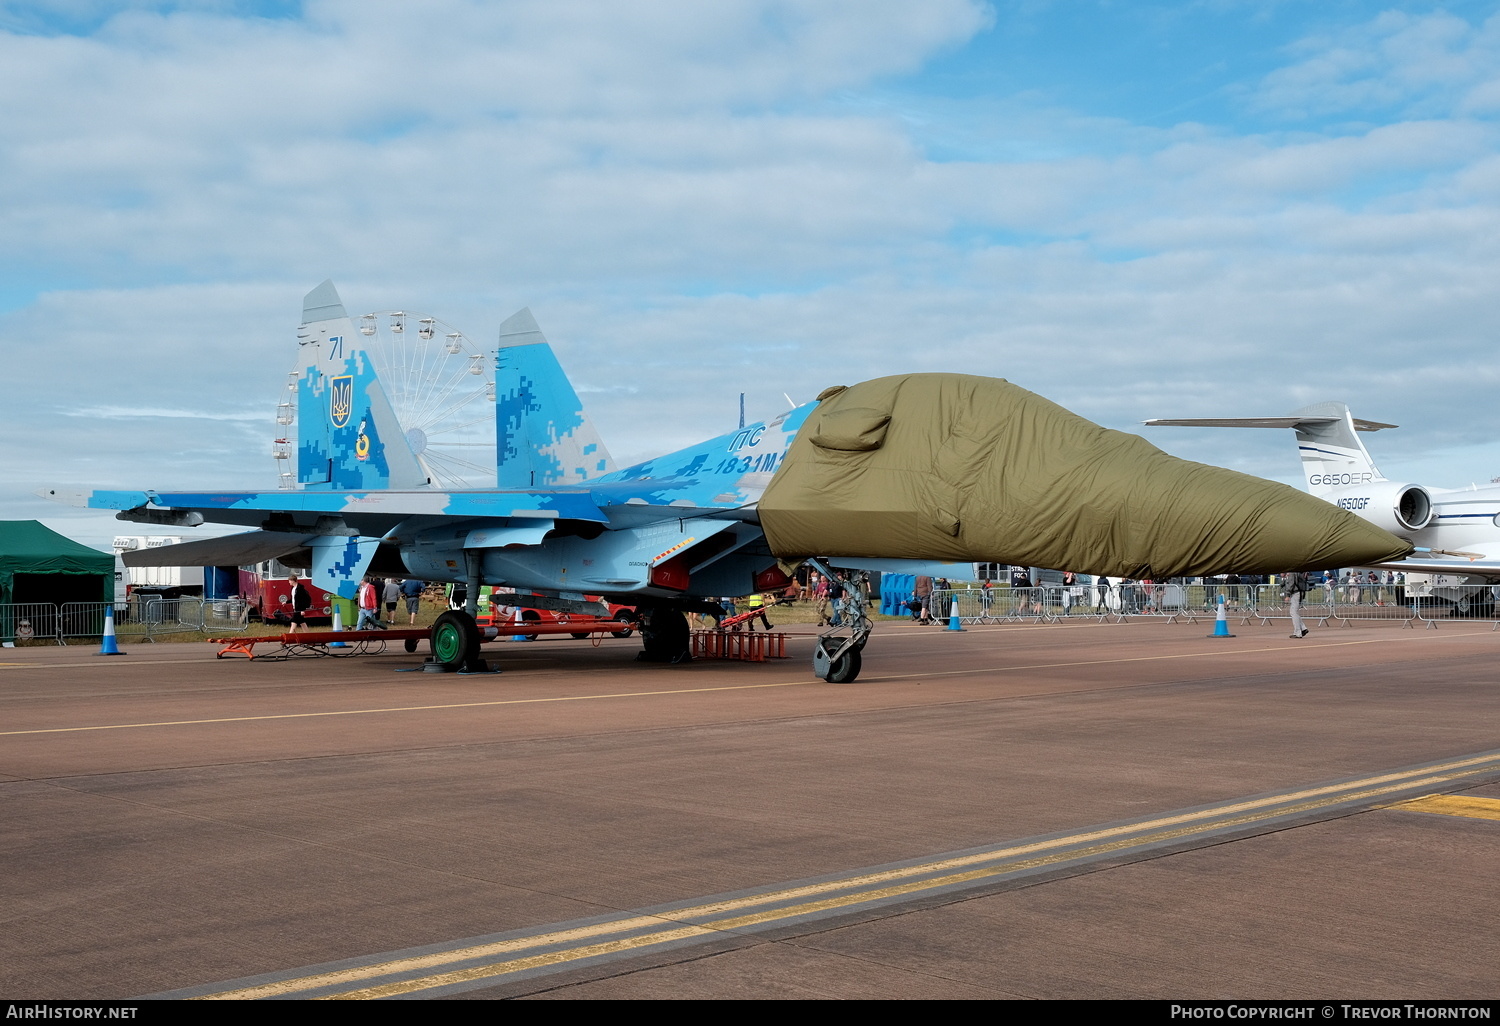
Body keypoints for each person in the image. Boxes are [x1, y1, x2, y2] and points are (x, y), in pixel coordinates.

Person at [1283, 570, 1310, 638]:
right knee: (1295, 612)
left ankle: (1297, 632)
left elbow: (1291, 583)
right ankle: (1303, 628)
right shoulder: (1300, 572)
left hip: (1296, 592)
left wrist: (1287, 594)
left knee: (1293, 612)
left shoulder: (1292, 572)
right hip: (1301, 591)